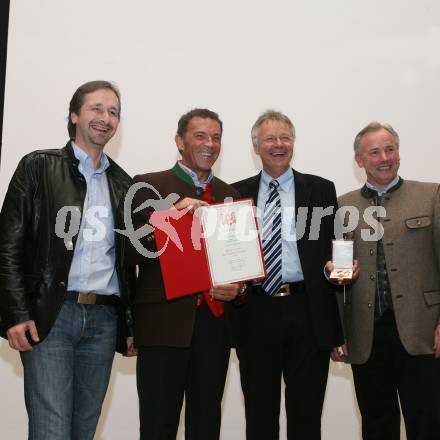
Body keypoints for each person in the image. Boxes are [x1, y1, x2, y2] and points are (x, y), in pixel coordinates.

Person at [0, 80, 135, 440]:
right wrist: (16, 312)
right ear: (74, 115)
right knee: (51, 431)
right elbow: (8, 244)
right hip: (52, 317)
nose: (105, 118)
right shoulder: (38, 166)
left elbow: (132, 259)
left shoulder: (124, 184)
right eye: (96, 108)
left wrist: (130, 325)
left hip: (104, 322)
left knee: (83, 432)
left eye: (113, 111)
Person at [127, 108, 242, 440]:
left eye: (216, 137)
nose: (210, 144)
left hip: (214, 327)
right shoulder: (148, 185)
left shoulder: (230, 195)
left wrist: (238, 290)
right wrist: (169, 217)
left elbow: (240, 270)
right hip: (163, 324)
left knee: (206, 424)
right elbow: (128, 251)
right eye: (200, 136)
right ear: (180, 141)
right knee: (158, 424)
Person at [231, 110, 343, 440]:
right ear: (256, 147)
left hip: (308, 311)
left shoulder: (322, 189)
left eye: (285, 138)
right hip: (255, 310)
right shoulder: (235, 193)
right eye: (270, 138)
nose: (279, 145)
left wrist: (340, 269)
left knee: (306, 416)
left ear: (293, 143)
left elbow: (335, 250)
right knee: (259, 416)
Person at [334, 122, 440, 440]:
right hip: (365, 336)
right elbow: (338, 273)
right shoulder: (342, 206)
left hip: (421, 332)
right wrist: (338, 331)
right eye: (374, 152)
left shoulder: (431, 195)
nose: (384, 158)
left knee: (428, 422)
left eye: (390, 149)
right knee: (377, 423)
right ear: (359, 160)